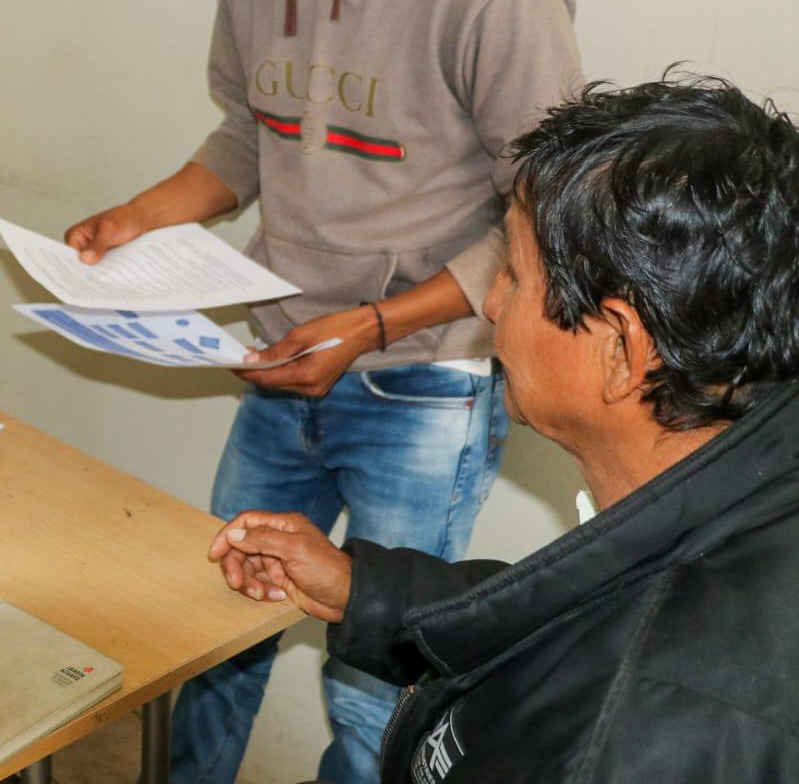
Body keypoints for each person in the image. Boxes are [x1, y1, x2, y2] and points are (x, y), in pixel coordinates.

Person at [65, 0, 584, 779]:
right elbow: (250, 134)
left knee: (371, 688)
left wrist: (375, 324)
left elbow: (546, 217)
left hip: (422, 389)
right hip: (280, 363)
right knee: (214, 622)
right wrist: (141, 216)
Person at [210, 77, 799, 782]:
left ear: (620, 350)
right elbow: (568, 616)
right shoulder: (747, 491)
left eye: (514, 277)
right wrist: (362, 590)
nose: (491, 305)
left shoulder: (628, 742)